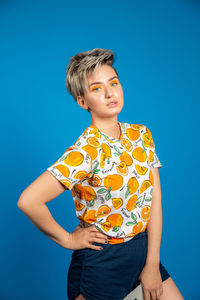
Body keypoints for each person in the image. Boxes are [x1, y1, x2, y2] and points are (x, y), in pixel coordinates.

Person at [17, 48, 184, 300]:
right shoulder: (85, 151)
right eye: (96, 88)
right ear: (82, 102)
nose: (109, 93)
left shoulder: (141, 135)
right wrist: (68, 240)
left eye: (113, 83)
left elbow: (154, 202)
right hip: (101, 264)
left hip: (142, 251)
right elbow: (28, 201)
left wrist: (152, 263)